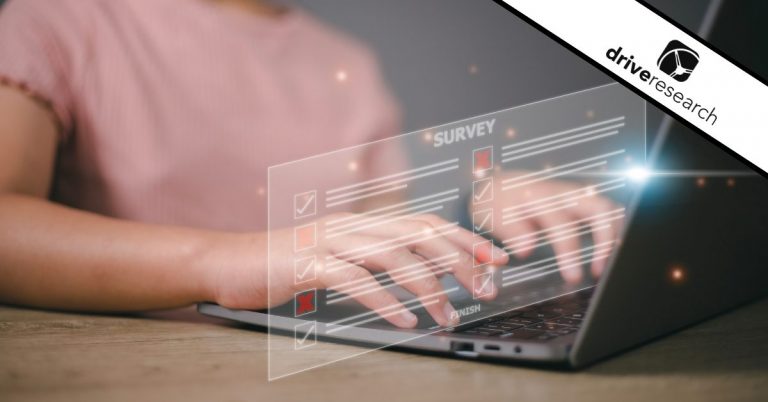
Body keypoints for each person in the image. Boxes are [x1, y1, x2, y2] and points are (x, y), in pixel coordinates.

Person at [0, 0, 619, 328]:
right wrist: (231, 261)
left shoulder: (346, 60)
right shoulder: (59, 17)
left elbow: (377, 239)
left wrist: (475, 211)